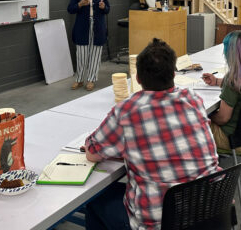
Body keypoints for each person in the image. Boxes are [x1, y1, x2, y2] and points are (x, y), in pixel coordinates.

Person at [84, 38, 220, 230]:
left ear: (137, 78)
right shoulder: (193, 99)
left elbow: (92, 153)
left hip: (159, 223)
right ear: (173, 74)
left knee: (96, 202)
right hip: (208, 213)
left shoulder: (127, 111)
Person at [67, 0, 110, 91]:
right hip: (82, 27)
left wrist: (103, 7)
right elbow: (70, 9)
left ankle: (91, 79)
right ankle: (79, 79)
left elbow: (108, 9)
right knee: (81, 55)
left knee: (95, 55)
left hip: (98, 27)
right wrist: (79, 4)